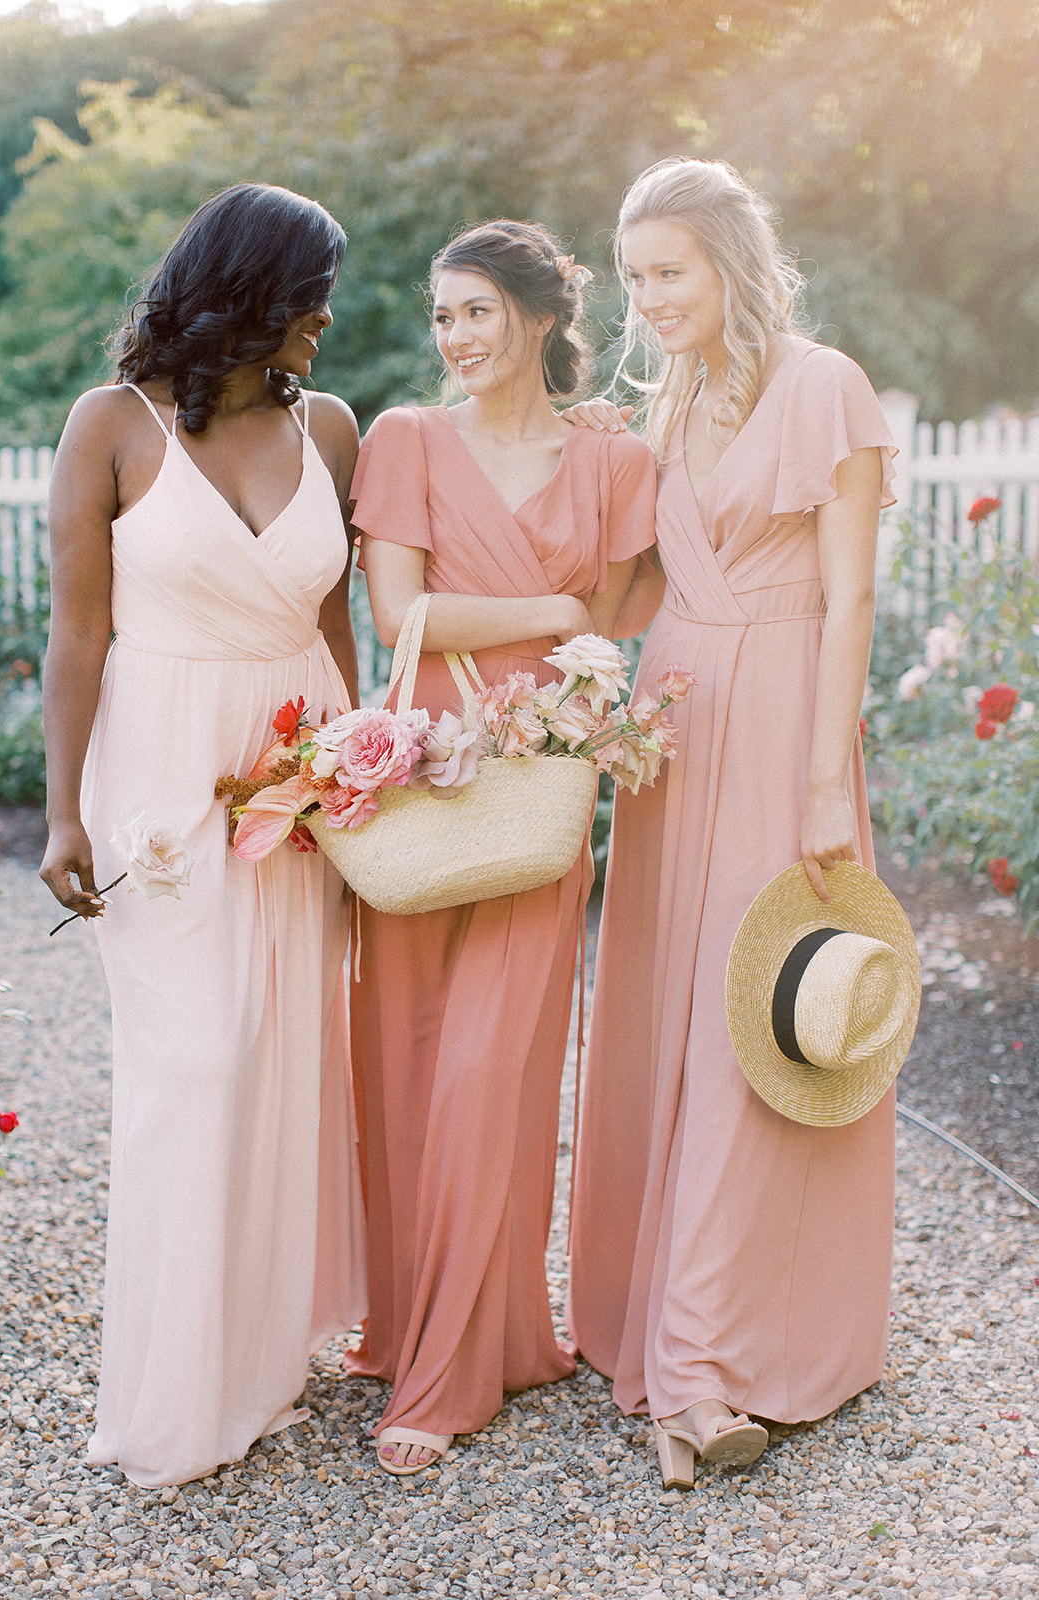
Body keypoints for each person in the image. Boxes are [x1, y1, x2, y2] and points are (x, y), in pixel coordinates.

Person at [565, 157, 898, 1487]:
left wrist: (826, 781)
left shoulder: (826, 384)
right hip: (675, 717)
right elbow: (636, 586)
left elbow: (852, 602)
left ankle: (703, 1367)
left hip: (780, 729)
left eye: (670, 273)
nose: (650, 301)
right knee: (666, 1015)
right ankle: (656, 1312)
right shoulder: (671, 398)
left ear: (730, 264)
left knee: (750, 1028)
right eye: (636, 277)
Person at [39, 183, 366, 1488]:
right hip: (164, 771)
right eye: (314, 295)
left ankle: (263, 1364)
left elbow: (338, 619)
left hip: (300, 765)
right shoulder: (108, 428)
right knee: (201, 1063)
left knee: (287, 1049)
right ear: (255, 295)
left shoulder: (331, 426)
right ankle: (173, 1393)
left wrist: (366, 763)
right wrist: (62, 806)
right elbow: (77, 633)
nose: (329, 320)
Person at [347, 220, 658, 1475]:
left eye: (476, 311)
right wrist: (549, 609)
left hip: (542, 787)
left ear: (535, 319)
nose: (455, 338)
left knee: (497, 1069)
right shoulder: (405, 440)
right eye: (441, 315)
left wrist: (581, 665)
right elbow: (396, 611)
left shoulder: (615, 458)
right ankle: (434, 1323)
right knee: (410, 1066)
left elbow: (633, 612)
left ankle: (453, 1372)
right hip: (423, 778)